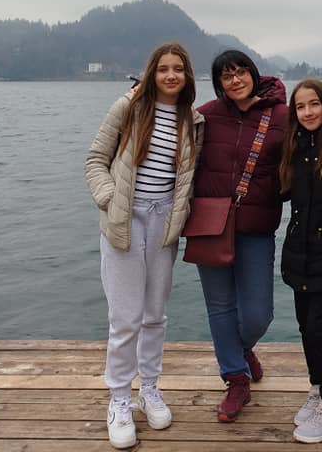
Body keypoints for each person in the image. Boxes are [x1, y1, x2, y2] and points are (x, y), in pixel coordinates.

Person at [84, 42, 204, 449]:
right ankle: (119, 397)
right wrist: (110, 199)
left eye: (178, 69)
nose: (171, 75)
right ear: (152, 72)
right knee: (125, 319)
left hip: (164, 222)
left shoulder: (193, 120)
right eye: (163, 68)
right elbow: (95, 159)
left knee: (155, 315)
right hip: (125, 219)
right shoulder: (129, 107)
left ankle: (149, 388)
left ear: (187, 76)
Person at [193, 50, 288, 422]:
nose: (235, 80)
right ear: (219, 83)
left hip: (257, 225)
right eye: (226, 76)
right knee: (219, 306)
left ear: (254, 73)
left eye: (241, 72)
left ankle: (242, 348)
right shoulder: (205, 115)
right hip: (209, 223)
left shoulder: (281, 116)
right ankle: (235, 379)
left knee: (258, 314)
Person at [279, 79, 322, 444]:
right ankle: (318, 389)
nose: (307, 112)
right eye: (300, 106)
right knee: (306, 328)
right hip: (299, 255)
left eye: (314, 104)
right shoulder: (294, 147)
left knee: (321, 332)